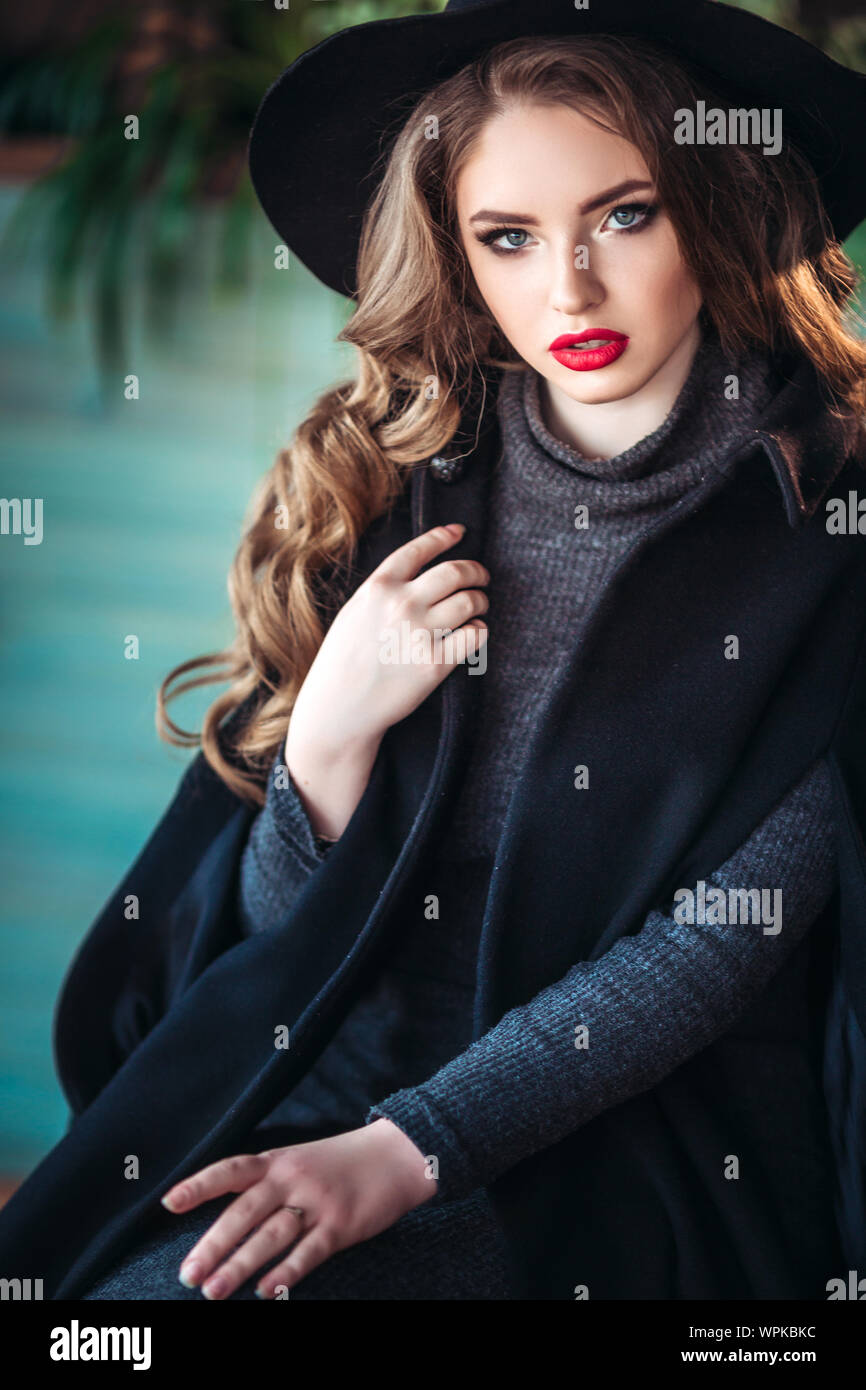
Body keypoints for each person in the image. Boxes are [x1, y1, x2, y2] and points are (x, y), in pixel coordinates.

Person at [2, 0, 866, 1302]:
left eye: (622, 216)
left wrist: (410, 1151)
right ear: (458, 260)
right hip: (330, 1080)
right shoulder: (393, 477)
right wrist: (328, 739)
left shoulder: (829, 518)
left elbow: (706, 951)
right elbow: (280, 943)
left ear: (716, 203)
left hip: (625, 1138)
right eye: (507, 238)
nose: (566, 287)